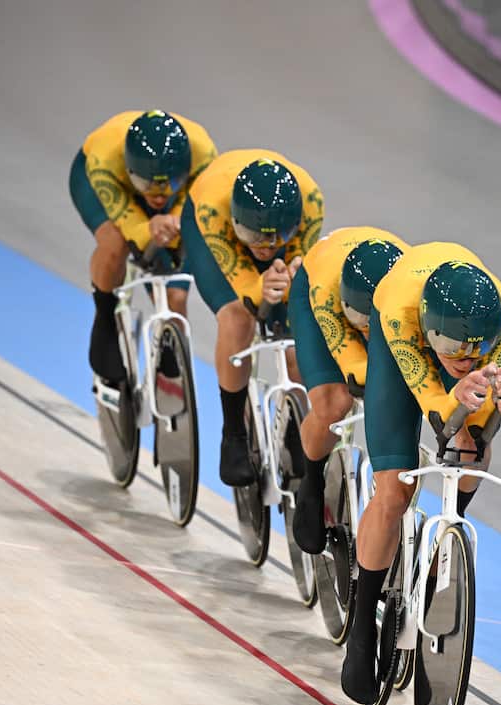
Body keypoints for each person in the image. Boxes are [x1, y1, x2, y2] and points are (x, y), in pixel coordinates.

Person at [340, 242, 501, 705]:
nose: (465, 358)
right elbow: (434, 403)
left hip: (443, 337)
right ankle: (361, 628)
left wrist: (495, 409)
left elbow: (472, 416)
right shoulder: (403, 316)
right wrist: (455, 398)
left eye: (474, 350)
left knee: (474, 445)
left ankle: (445, 535)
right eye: (454, 350)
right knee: (395, 489)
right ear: (432, 330)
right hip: (402, 349)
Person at [179, 150, 324, 486]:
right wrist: (261, 289)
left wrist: (289, 278)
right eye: (254, 238)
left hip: (272, 232)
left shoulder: (311, 202)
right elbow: (247, 288)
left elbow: (297, 267)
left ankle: (296, 422)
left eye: (275, 238)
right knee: (237, 317)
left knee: (296, 329)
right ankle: (233, 433)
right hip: (211, 233)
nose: (264, 246)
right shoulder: (214, 208)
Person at [68, 110, 217, 385]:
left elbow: (199, 206)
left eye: (169, 184)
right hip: (103, 182)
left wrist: (175, 223)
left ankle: (171, 356)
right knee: (116, 241)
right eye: (146, 185)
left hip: (176, 197)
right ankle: (104, 316)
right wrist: (148, 227)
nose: (158, 195)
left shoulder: (204, 154)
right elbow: (133, 228)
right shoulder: (105, 157)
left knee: (176, 294)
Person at [286, 228, 410, 553]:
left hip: (391, 313)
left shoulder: (409, 299)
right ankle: (310, 482)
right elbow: (353, 365)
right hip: (318, 289)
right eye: (363, 323)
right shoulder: (327, 291)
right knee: (334, 402)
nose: (368, 332)